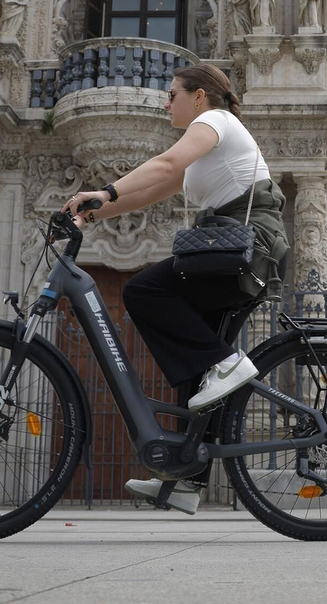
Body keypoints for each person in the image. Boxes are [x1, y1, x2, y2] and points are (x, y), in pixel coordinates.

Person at [63, 63, 287, 515]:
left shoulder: (216, 122)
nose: (166, 102)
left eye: (172, 94)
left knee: (144, 290)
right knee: (195, 376)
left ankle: (228, 363)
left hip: (248, 249)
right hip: (232, 253)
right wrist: (91, 213)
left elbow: (164, 163)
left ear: (199, 96)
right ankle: (187, 478)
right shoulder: (205, 147)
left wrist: (103, 192)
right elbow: (155, 187)